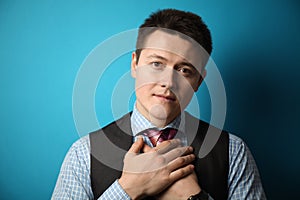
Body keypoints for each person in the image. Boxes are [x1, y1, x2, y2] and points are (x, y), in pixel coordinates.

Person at [52, 9, 266, 200]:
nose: (168, 82)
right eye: (156, 63)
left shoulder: (233, 152)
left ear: (199, 81)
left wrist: (193, 197)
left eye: (184, 70)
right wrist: (127, 190)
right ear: (135, 64)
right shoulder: (83, 153)